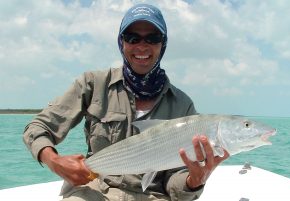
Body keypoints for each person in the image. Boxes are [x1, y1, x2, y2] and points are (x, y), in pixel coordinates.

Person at [23, 3, 228, 201]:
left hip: (153, 196)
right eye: (133, 37)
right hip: (95, 191)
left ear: (163, 44)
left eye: (152, 38)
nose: (142, 46)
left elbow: (175, 187)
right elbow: (38, 127)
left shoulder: (183, 106)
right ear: (122, 42)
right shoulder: (93, 84)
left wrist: (193, 181)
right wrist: (54, 160)